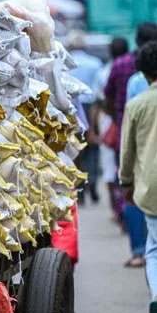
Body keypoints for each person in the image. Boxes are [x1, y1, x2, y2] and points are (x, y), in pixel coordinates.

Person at [104, 23, 157, 268]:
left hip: (141, 147)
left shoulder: (132, 78)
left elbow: (125, 118)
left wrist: (125, 179)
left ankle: (138, 251)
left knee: (137, 198)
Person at [118, 40, 157, 313]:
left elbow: (127, 152)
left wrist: (126, 182)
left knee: (155, 249)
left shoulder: (137, 105)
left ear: (144, 73)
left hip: (151, 189)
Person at [92, 37, 129, 223]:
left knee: (110, 167)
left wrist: (95, 127)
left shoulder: (105, 72)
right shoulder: (136, 67)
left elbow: (101, 101)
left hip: (110, 122)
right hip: (124, 121)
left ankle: (117, 207)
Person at [67, 31, 103, 204]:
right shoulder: (95, 63)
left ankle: (80, 190)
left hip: (71, 108)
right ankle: (93, 184)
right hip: (91, 107)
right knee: (93, 148)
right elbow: (98, 92)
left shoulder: (66, 61)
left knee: (76, 151)